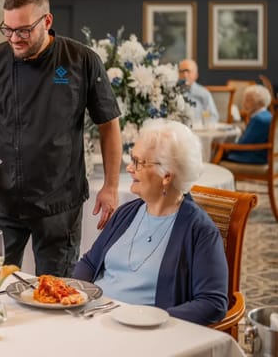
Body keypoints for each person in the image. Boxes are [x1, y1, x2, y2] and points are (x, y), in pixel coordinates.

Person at [0, 0, 122, 277]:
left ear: (47, 22)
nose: (14, 38)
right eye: (7, 30)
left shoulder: (81, 60)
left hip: (59, 201)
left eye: (23, 30)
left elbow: (109, 125)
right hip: (4, 201)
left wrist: (111, 186)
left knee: (53, 289)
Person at [73, 119, 228, 325]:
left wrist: (152, 319)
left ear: (166, 176)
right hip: (92, 318)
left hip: (145, 334)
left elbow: (213, 303)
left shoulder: (199, 230)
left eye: (138, 162)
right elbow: (90, 263)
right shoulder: (126, 213)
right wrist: (75, 296)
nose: (129, 168)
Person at [224, 84, 273, 164]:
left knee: (217, 152)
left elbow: (244, 144)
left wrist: (226, 147)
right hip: (266, 157)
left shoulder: (258, 119)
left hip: (254, 158)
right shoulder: (268, 115)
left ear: (259, 103)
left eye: (248, 100)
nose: (243, 104)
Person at [178, 59, 220, 125]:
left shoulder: (203, 93)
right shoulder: (172, 93)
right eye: (181, 71)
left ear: (196, 75)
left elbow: (213, 117)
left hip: (199, 131)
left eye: (188, 71)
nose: (185, 75)